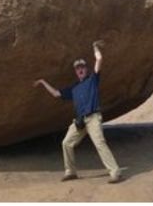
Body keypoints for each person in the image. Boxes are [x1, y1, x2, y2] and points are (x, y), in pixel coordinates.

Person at [33, 41, 123, 184]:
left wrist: (95, 47)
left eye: (82, 67)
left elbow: (99, 60)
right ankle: (71, 172)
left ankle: (115, 172)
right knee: (66, 143)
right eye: (77, 68)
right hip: (80, 121)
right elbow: (56, 93)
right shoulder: (73, 88)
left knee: (100, 143)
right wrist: (44, 82)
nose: (80, 70)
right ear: (75, 71)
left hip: (93, 118)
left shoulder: (92, 80)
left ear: (86, 69)